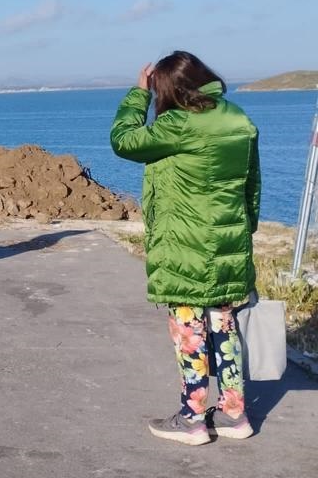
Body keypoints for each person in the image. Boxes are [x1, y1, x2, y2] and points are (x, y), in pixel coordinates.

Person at [110, 51, 260, 445]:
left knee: (189, 331)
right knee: (223, 327)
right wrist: (242, 238)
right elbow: (252, 188)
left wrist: (137, 95)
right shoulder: (238, 119)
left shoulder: (177, 124)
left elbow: (123, 141)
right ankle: (235, 415)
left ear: (171, 89)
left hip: (185, 247)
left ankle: (193, 419)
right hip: (228, 244)